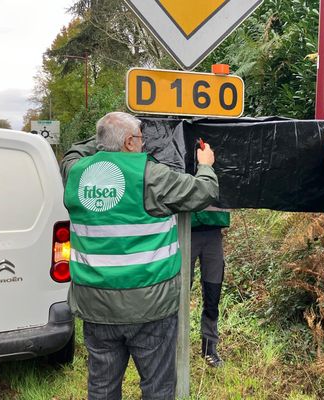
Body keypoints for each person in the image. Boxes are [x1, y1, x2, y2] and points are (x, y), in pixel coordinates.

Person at [61, 111, 219, 400]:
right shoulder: (149, 175)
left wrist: (104, 137)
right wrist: (205, 165)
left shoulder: (75, 172)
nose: (144, 144)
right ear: (130, 143)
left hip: (96, 305)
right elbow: (203, 192)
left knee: (101, 387)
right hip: (150, 306)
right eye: (141, 138)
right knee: (157, 388)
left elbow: (73, 151)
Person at [190, 206, 230, 367]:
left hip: (214, 233)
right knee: (178, 294)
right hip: (185, 230)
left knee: (213, 294)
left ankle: (209, 348)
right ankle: (173, 346)